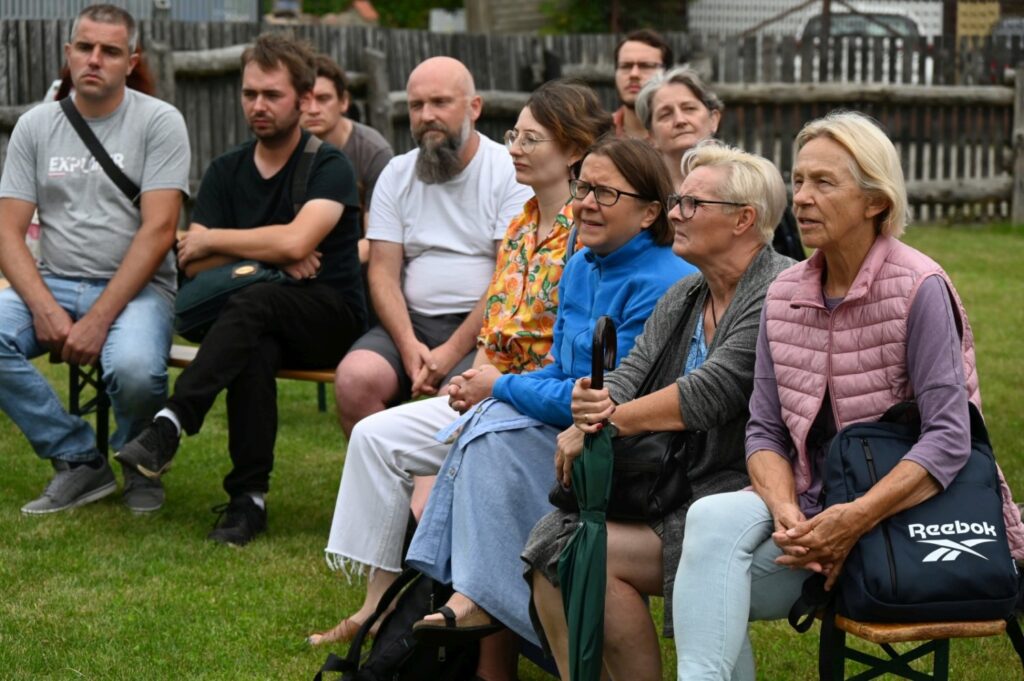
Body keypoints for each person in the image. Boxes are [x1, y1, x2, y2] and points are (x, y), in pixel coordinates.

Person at [672, 111, 1024, 680]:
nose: (803, 198)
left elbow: (949, 437)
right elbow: (763, 429)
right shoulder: (784, 293)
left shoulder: (920, 287)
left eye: (824, 182)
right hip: (811, 510)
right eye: (799, 180)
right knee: (711, 520)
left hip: (907, 519)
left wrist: (851, 520)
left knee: (712, 581)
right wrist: (790, 518)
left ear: (875, 201)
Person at [308, 79, 612, 647]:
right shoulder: (523, 222)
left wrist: (492, 386)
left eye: (531, 138)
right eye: (514, 134)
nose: (514, 147)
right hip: (491, 386)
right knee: (374, 436)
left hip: (534, 404)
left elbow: (567, 352)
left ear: (573, 151)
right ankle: (374, 603)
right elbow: (498, 323)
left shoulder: (587, 230)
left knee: (456, 454)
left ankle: (462, 602)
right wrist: (467, 375)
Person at [405, 137, 696, 681]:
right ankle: (480, 597)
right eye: (583, 187)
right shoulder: (583, 262)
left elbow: (607, 398)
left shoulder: (662, 280)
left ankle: (483, 598)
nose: (585, 202)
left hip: (632, 448)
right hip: (575, 422)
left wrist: (501, 387)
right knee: (480, 426)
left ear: (650, 211)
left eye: (605, 193)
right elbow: (562, 370)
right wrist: (497, 383)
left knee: (486, 434)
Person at [527, 141, 794, 680]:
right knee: (552, 547)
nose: (674, 214)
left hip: (745, 490)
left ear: (744, 220)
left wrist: (608, 421)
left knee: (588, 553)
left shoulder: (778, 290)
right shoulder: (687, 294)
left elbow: (712, 391)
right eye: (676, 200)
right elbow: (631, 375)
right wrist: (591, 406)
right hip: (677, 486)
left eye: (692, 204)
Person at [115, 32, 366, 546]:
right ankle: (246, 502)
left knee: (255, 302)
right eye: (250, 93)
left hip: (329, 317)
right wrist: (268, 251)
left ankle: (172, 420)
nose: (258, 105)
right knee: (254, 341)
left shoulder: (328, 165)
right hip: (252, 318)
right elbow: (191, 257)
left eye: (271, 95)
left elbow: (298, 239)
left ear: (301, 99)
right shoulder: (226, 170)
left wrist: (222, 241)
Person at [0, 4, 189, 515]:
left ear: (131, 61)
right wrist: (43, 308)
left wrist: (99, 317)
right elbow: (7, 231)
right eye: (85, 47)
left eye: (110, 51)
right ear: (68, 54)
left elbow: (158, 231)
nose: (94, 59)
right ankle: (80, 458)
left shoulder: (159, 122)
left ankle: (138, 462)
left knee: (132, 368)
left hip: (139, 289)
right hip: (54, 280)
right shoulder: (36, 127)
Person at [333, 56, 533, 437]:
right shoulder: (396, 173)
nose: (426, 115)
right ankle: (383, 493)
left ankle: (430, 498)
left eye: (440, 102)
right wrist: (409, 347)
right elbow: (382, 272)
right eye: (416, 105)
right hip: (410, 323)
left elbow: (506, 278)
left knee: (450, 402)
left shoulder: (507, 172)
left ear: (474, 108)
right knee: (354, 380)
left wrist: (448, 353)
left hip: (486, 328)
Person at [635, 66, 806, 261]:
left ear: (714, 119)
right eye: (665, 114)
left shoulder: (754, 184)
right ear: (650, 137)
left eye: (689, 108)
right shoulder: (644, 196)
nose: (680, 120)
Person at [301, 53, 393, 264]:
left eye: (323, 99)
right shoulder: (284, 148)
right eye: (305, 100)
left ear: (343, 102)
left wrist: (326, 265)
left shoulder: (373, 152)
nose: (313, 110)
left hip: (354, 264)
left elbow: (377, 241)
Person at [612, 29, 672, 140]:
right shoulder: (597, 134)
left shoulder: (680, 135)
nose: (634, 74)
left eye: (646, 66)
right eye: (626, 66)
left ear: (666, 73)